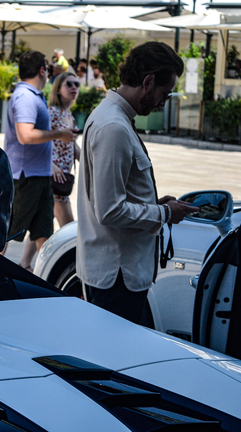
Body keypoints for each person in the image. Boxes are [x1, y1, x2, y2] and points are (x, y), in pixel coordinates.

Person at [77, 42, 199, 325]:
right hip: (118, 276)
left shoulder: (113, 118)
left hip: (117, 274)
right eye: (164, 94)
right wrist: (165, 213)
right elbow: (109, 211)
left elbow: (110, 196)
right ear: (147, 81)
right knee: (115, 359)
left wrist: (153, 205)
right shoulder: (114, 127)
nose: (162, 103)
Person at [3, 51, 77, 272]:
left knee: (44, 232)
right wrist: (59, 134)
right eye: (48, 68)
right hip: (26, 176)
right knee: (6, 234)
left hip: (39, 175)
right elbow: (25, 135)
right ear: (42, 70)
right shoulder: (25, 97)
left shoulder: (32, 95)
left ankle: (44, 276)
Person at [48, 72, 81, 228]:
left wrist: (91, 161)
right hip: (55, 178)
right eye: (69, 84)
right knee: (69, 228)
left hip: (63, 177)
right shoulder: (53, 112)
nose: (74, 87)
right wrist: (50, 165)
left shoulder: (69, 115)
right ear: (58, 89)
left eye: (76, 84)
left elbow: (72, 146)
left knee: (40, 229)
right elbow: (37, 140)